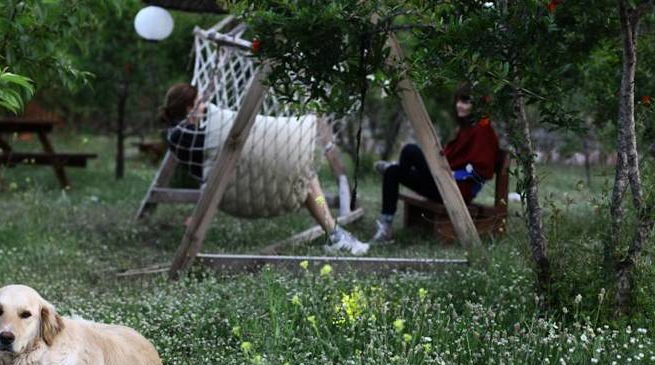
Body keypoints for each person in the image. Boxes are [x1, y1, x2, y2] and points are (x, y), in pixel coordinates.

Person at [159, 83, 369, 255]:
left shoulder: (181, 134)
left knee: (309, 177)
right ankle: (334, 232)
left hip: (237, 181)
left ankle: (334, 231)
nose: (204, 107)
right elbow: (217, 139)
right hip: (232, 186)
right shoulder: (180, 135)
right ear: (188, 108)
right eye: (199, 103)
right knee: (309, 179)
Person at [371, 85, 500, 242]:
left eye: (465, 102)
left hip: (456, 190)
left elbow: (482, 171)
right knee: (392, 173)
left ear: (478, 105)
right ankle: (386, 228)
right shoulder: (466, 128)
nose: (459, 105)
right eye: (458, 101)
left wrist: (454, 175)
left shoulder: (483, 130)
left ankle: (397, 167)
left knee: (410, 150)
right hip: (441, 183)